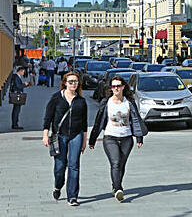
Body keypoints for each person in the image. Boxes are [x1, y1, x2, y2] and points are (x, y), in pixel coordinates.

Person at [89, 75, 148, 202]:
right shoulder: (106, 102)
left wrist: (139, 137)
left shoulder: (129, 102)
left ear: (123, 87)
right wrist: (92, 139)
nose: (116, 88)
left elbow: (136, 119)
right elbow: (98, 121)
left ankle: (115, 185)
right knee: (115, 163)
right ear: (111, 88)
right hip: (110, 138)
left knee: (121, 164)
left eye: (118, 86)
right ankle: (118, 188)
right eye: (113, 86)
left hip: (126, 138)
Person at [42, 72, 88, 206]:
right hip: (59, 135)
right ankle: (58, 186)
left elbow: (84, 123)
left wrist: (84, 141)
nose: (73, 84)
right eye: (71, 82)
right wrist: (45, 135)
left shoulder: (81, 101)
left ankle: (72, 196)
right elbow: (48, 118)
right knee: (60, 166)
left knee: (74, 166)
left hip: (76, 135)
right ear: (65, 83)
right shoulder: (56, 98)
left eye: (76, 82)